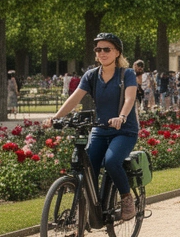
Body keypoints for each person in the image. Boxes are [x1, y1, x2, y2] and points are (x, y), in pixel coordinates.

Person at [49, 33, 141, 220]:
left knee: (112, 161)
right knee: (87, 167)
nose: (102, 53)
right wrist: (56, 117)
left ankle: (126, 198)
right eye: (98, 49)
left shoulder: (127, 74)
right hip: (100, 129)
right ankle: (86, 211)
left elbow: (130, 98)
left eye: (107, 49)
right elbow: (74, 98)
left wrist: (121, 117)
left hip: (124, 131)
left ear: (117, 52)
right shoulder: (91, 76)